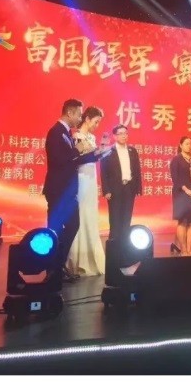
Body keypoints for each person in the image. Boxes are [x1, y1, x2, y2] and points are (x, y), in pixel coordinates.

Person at [43, 99, 97, 283]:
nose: (80, 118)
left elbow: (72, 160)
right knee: (56, 230)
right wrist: (77, 150)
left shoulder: (66, 132)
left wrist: (94, 156)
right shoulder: (56, 132)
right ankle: (53, 269)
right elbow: (59, 160)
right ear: (70, 113)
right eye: (79, 114)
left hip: (67, 191)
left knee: (71, 226)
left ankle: (58, 266)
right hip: (58, 190)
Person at [67, 106, 112, 277]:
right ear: (87, 119)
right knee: (81, 215)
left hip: (91, 179)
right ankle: (78, 260)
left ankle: (91, 257)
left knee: (90, 215)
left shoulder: (92, 138)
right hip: (81, 179)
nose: (97, 125)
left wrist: (103, 150)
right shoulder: (76, 136)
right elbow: (76, 159)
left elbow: (93, 157)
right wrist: (97, 152)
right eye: (96, 121)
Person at [100, 124, 142, 242]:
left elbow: (137, 170)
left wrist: (138, 188)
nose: (124, 136)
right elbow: (103, 172)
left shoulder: (132, 150)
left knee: (126, 217)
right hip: (114, 190)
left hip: (129, 188)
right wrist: (106, 190)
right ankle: (113, 244)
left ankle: (125, 243)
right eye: (121, 133)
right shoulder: (108, 151)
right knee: (115, 217)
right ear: (114, 136)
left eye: (126, 133)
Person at [169, 136, 191, 256]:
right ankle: (183, 250)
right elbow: (175, 178)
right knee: (182, 222)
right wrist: (186, 190)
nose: (189, 146)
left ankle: (189, 250)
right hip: (181, 194)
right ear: (181, 145)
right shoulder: (176, 160)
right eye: (187, 144)